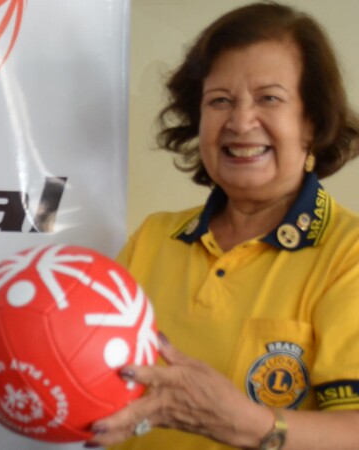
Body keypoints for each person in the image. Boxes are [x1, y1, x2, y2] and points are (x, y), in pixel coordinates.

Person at [85, 2, 359, 449]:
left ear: (311, 122)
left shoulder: (349, 252)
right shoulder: (153, 238)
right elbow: (90, 370)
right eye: (220, 101)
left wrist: (252, 424)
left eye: (269, 98)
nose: (240, 121)